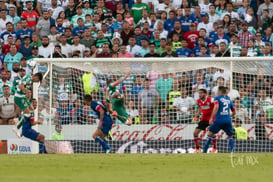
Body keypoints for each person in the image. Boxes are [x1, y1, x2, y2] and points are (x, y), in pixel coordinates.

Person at [203, 86, 236, 153]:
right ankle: (232, 152)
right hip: (228, 120)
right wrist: (230, 115)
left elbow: (216, 106)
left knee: (210, 134)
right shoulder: (229, 99)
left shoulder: (217, 98)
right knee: (230, 136)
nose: (217, 92)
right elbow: (234, 112)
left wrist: (211, 118)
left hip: (219, 120)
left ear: (220, 91)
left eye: (217, 91)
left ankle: (204, 151)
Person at [13, 70, 43, 135]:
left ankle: (28, 121)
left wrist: (27, 93)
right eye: (38, 80)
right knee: (28, 113)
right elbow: (21, 86)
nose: (37, 82)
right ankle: (17, 127)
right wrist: (26, 91)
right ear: (36, 77)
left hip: (23, 97)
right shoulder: (28, 78)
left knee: (32, 108)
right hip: (19, 97)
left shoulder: (31, 81)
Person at [193, 89, 214, 153]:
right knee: (195, 133)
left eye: (201, 93)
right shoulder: (198, 101)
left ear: (205, 94)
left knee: (212, 133)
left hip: (211, 118)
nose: (200, 95)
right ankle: (197, 148)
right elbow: (200, 109)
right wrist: (196, 117)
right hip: (204, 119)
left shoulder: (211, 100)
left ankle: (214, 148)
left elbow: (216, 107)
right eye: (199, 93)